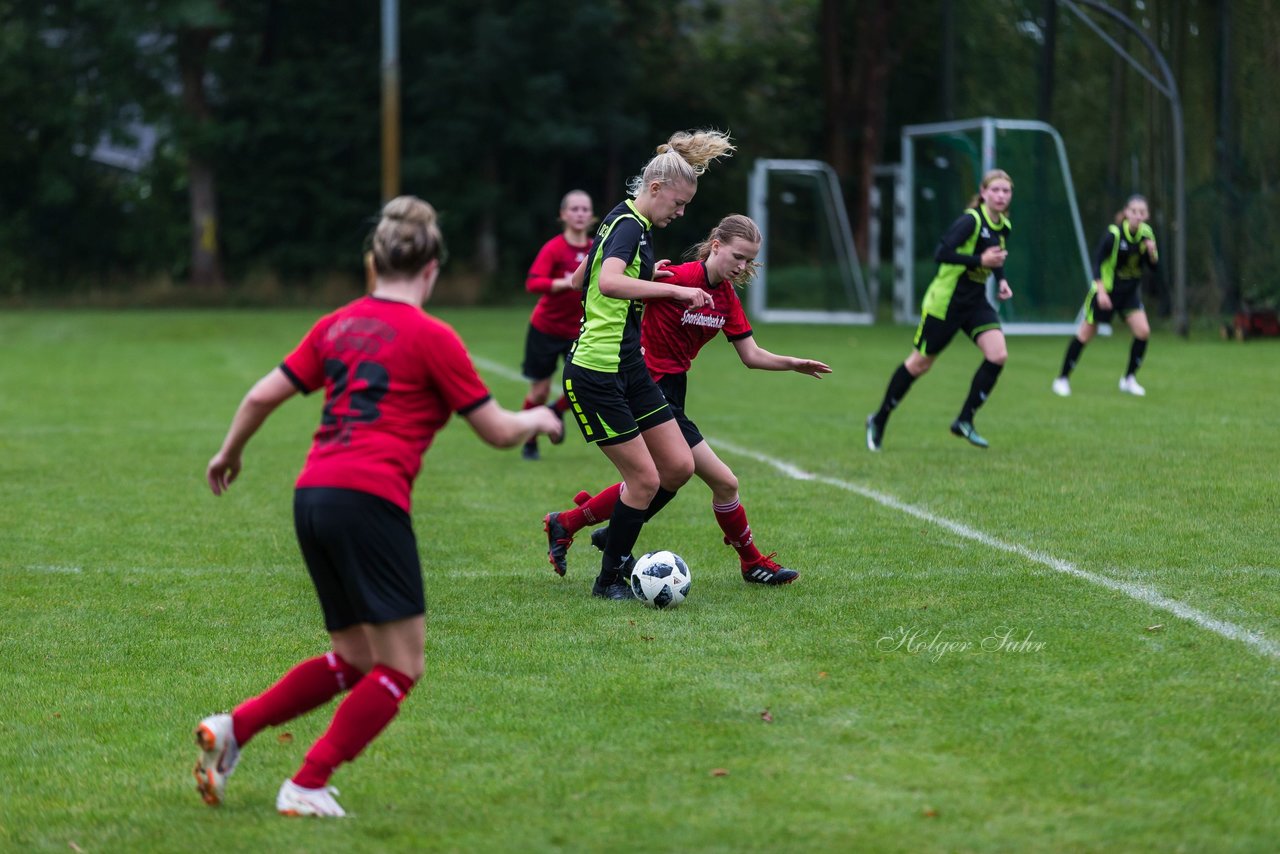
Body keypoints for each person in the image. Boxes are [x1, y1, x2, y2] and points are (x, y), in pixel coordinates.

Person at [194, 196, 562, 818]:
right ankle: (307, 783)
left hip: (312, 496)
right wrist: (543, 415)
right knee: (402, 665)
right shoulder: (433, 336)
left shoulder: (337, 324)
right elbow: (498, 431)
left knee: (357, 658)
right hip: (368, 501)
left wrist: (229, 453)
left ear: (374, 262)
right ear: (433, 269)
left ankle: (236, 728)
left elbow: (261, 394)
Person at [543, 214, 831, 585]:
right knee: (718, 481)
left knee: (672, 476)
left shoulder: (725, 298)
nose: (741, 267)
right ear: (716, 246)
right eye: (737, 256)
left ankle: (570, 523)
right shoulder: (677, 278)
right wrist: (647, 277)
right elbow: (612, 288)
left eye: (748, 260)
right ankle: (751, 563)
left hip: (673, 391)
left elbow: (751, 355)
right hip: (645, 385)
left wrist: (793, 364)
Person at [543, 129, 735, 600]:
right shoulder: (628, 225)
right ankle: (609, 579)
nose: (681, 212)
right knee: (645, 478)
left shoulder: (624, 223)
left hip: (631, 367)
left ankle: (600, 537)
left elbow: (576, 279)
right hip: (597, 372)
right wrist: (671, 289)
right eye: (679, 202)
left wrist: (648, 273)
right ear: (655, 189)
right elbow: (606, 283)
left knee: (676, 466)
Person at [865, 169, 1014, 451]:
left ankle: (964, 420)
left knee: (998, 355)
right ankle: (879, 418)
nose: (1000, 195)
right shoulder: (970, 221)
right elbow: (942, 253)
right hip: (945, 302)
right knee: (920, 364)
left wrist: (1002, 280)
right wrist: (978, 259)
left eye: (1006, 191)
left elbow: (995, 257)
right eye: (995, 190)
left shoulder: (1003, 225)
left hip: (975, 302)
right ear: (983, 193)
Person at [1052, 194, 1158, 397]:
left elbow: (1154, 268)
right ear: (1126, 212)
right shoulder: (1114, 234)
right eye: (1133, 211)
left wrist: (1151, 253)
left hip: (1128, 294)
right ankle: (1062, 378)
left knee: (1143, 331)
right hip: (1106, 291)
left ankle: (1129, 379)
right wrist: (1100, 291)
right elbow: (1097, 262)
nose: (1137, 216)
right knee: (1085, 334)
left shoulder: (1147, 235)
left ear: (1147, 215)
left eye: (1141, 212)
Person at [519, 190, 595, 460]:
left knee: (585, 387)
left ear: (591, 216)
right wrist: (566, 282)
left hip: (580, 330)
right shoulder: (554, 248)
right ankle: (529, 441)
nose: (579, 214)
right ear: (563, 215)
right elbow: (533, 283)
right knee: (539, 390)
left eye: (584, 209)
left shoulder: (597, 247)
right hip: (546, 329)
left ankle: (556, 410)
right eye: (574, 209)